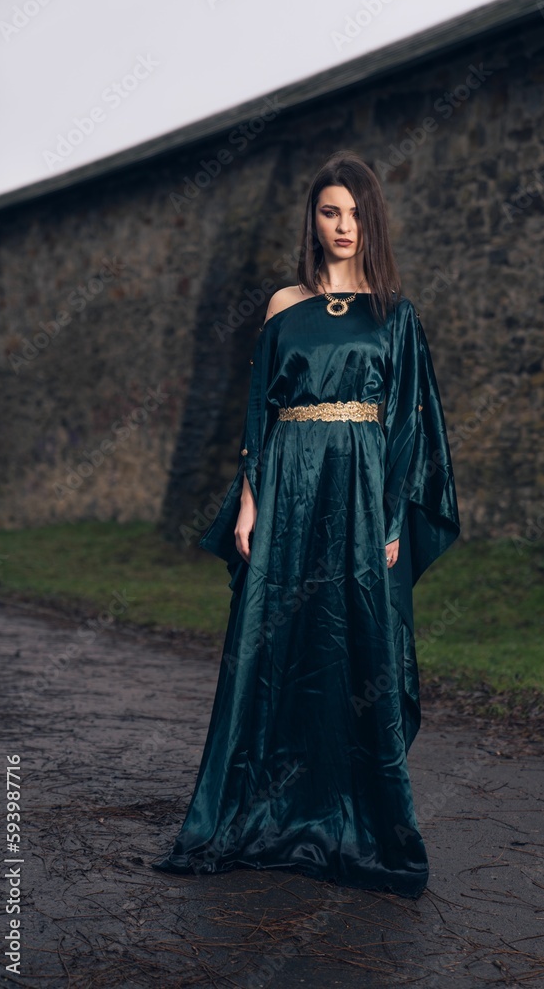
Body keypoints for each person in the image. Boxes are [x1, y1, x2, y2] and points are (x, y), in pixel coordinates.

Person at [151, 149, 460, 899]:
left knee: (354, 642)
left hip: (357, 489)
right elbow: (258, 407)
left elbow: (407, 428)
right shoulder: (283, 305)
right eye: (330, 211)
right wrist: (251, 498)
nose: (343, 225)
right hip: (286, 482)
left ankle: (356, 815)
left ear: (371, 220)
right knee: (274, 640)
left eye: (355, 213)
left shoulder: (396, 312)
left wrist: (390, 517)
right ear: (312, 220)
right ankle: (255, 810)